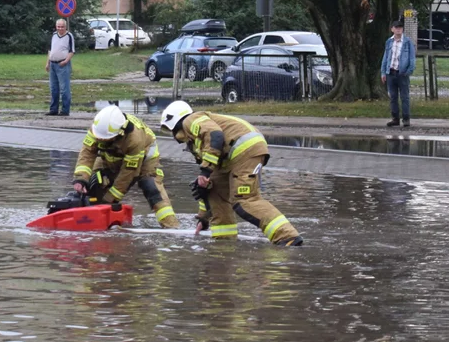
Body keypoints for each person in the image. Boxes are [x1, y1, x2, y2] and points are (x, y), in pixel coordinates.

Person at [160, 101, 302, 246]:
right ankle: (224, 242)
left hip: (245, 150)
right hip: (231, 158)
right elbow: (207, 183)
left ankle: (287, 236)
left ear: (175, 122)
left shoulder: (191, 120)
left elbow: (215, 135)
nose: (174, 136)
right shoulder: (196, 140)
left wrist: (204, 171)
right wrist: (203, 218)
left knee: (244, 200)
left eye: (172, 131)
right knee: (213, 190)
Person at [73, 105, 180, 228]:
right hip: (112, 156)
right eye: (99, 138)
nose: (101, 140)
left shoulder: (134, 139)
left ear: (120, 132)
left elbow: (127, 174)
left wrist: (109, 200)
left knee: (151, 187)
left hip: (145, 159)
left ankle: (171, 226)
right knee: (94, 181)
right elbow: (87, 153)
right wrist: (80, 179)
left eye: (105, 139)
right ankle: (91, 220)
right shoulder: (98, 129)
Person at [380, 19, 416, 128]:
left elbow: (412, 58)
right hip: (391, 73)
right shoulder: (389, 42)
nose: (398, 29)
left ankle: (406, 119)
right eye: (396, 27)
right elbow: (385, 58)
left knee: (404, 97)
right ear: (392, 29)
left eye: (400, 27)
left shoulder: (407, 42)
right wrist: (383, 72)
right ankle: (395, 118)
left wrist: (409, 71)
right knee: (393, 97)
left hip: (402, 73)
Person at [46, 18, 74, 116]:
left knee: (64, 88)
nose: (60, 28)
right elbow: (50, 50)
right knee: (53, 88)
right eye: (58, 26)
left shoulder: (69, 36)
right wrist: (47, 63)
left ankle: (65, 110)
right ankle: (53, 109)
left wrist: (66, 61)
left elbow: (72, 51)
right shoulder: (54, 35)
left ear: (65, 27)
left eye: (62, 27)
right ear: (56, 26)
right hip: (53, 63)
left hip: (63, 64)